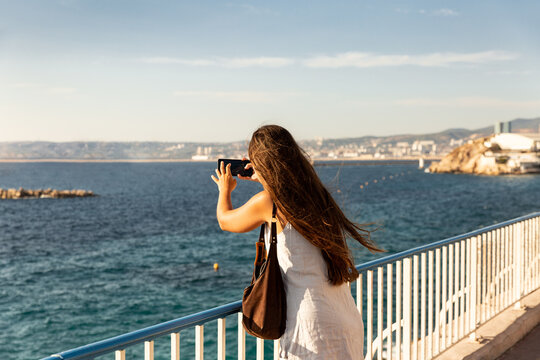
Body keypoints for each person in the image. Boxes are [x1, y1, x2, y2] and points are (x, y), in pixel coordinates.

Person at [211, 125, 384, 360]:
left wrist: (225, 189)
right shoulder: (316, 195)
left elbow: (225, 221)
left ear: (263, 162)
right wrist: (265, 179)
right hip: (345, 318)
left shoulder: (268, 202)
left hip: (309, 327)